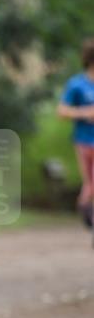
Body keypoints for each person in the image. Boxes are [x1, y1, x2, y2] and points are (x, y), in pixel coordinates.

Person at [57, 37, 94, 229]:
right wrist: (85, 112)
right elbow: (62, 111)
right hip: (83, 140)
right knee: (89, 183)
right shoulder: (77, 84)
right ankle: (85, 208)